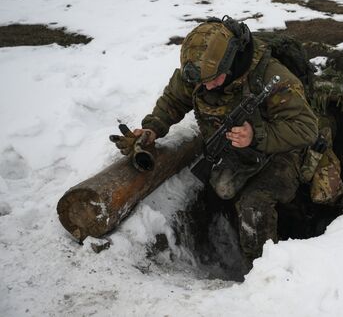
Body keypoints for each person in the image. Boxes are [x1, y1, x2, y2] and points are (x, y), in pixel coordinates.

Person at [113, 16, 319, 264]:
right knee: (221, 190)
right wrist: (152, 128)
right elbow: (173, 100)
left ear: (230, 63)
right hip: (237, 148)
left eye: (213, 79)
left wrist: (257, 135)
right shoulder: (200, 72)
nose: (206, 86)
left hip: (281, 150)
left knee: (253, 206)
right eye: (200, 82)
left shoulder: (272, 77)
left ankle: (265, 273)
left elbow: (306, 128)